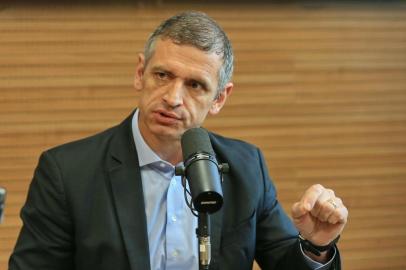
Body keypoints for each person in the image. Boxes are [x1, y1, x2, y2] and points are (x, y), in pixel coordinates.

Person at [9, 11, 348, 270]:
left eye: (195, 85)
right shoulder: (67, 173)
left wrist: (315, 245)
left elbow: (283, 261)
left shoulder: (247, 167)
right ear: (140, 73)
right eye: (162, 75)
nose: (172, 97)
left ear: (219, 98)